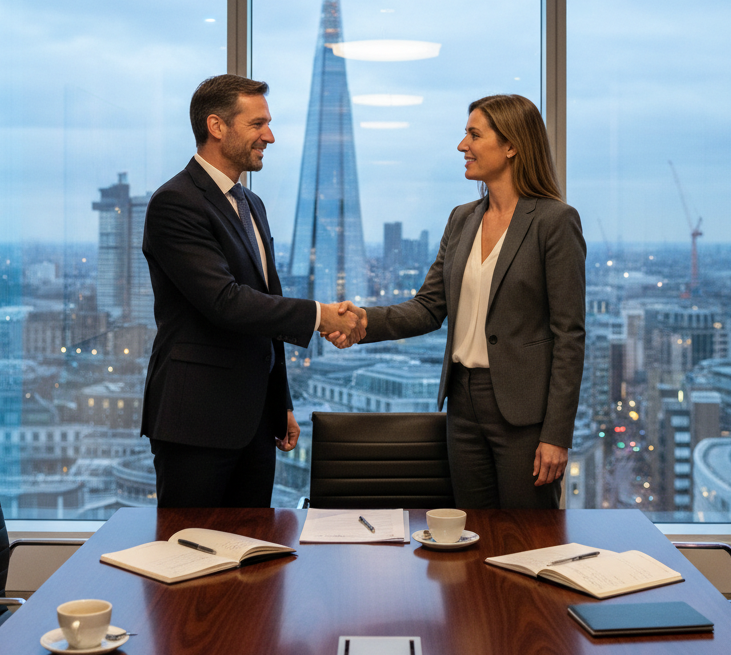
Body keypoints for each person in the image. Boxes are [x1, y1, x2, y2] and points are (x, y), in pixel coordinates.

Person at [334, 94, 585, 508]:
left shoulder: (554, 222)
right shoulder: (462, 218)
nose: (461, 146)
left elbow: (569, 336)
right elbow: (428, 307)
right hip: (462, 402)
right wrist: (362, 321)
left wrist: (556, 435)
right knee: (471, 533)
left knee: (526, 541)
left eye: (473, 134)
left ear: (511, 145)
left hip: (523, 413)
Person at [141, 75, 365, 508]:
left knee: (253, 553)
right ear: (217, 126)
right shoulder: (175, 202)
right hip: (197, 423)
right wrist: (321, 315)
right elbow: (226, 302)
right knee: (190, 554)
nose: (270, 136)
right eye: (258, 124)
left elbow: (263, 313)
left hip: (256, 422)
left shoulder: (250, 204)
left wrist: (278, 401)